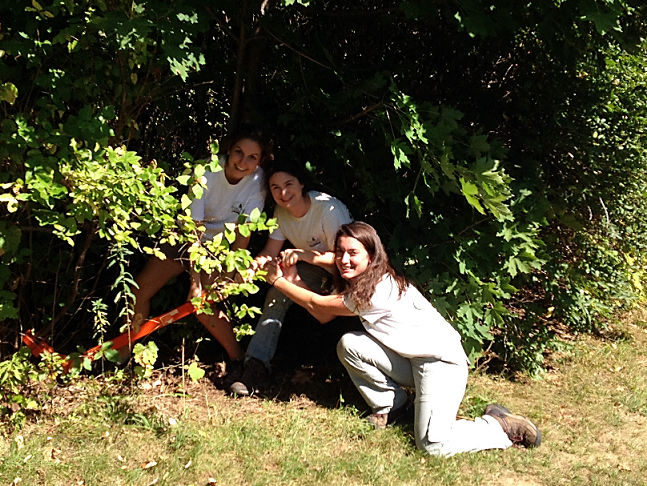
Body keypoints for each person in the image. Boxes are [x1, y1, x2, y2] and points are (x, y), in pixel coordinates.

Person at [263, 221, 542, 457]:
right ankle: (393, 406)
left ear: (371, 256)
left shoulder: (375, 292)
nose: (343, 259)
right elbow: (325, 288)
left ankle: (496, 426)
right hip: (411, 361)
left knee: (433, 445)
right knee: (350, 344)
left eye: (352, 253)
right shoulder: (368, 276)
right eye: (340, 252)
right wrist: (299, 260)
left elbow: (320, 306)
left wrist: (279, 281)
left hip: (441, 363)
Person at [126, 127, 272, 377]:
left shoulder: (258, 183)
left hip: (218, 247)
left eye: (252, 157)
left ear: (259, 162)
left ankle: (239, 362)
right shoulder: (207, 170)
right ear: (229, 150)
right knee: (139, 290)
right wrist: (195, 280)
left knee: (202, 305)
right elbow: (195, 228)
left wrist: (233, 267)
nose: (243, 161)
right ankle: (123, 351)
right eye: (238, 152)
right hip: (186, 237)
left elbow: (245, 230)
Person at [229, 159, 353, 396]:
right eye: (275, 188)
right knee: (278, 289)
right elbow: (270, 252)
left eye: (288, 184)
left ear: (302, 184)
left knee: (325, 311)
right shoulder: (281, 212)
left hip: (346, 272)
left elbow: (344, 258)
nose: (283, 193)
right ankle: (256, 366)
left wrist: (304, 254)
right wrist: (253, 267)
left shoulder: (328, 209)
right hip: (312, 267)